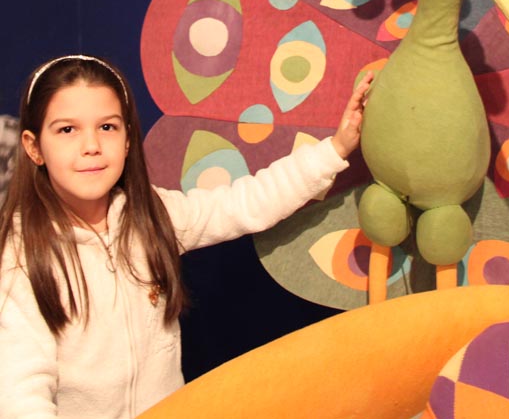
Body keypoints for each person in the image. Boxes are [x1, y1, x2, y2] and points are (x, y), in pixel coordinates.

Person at [0, 54, 373, 419]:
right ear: (34, 147)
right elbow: (21, 392)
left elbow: (243, 203)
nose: (91, 145)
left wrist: (336, 149)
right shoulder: (20, 256)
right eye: (67, 130)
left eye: (107, 127)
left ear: (127, 139)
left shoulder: (151, 216)